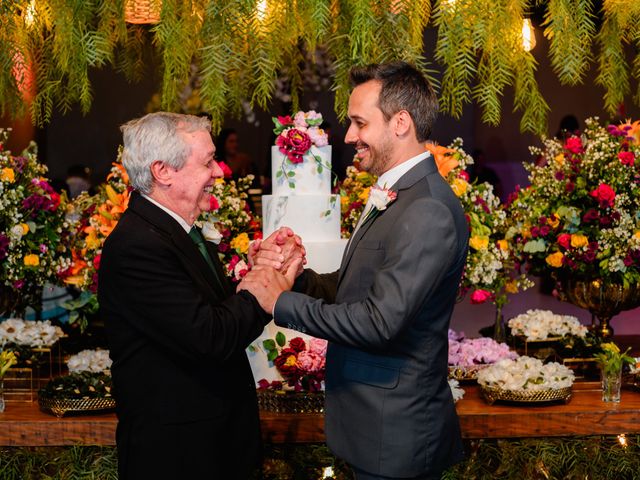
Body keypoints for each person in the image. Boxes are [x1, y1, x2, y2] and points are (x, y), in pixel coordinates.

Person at [242, 62, 468, 479]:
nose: (348, 136)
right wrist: (297, 277)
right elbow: (356, 289)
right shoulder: (398, 194)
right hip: (372, 427)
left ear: (400, 123)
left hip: (397, 436)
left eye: (359, 122)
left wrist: (280, 302)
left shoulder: (428, 210)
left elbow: (380, 321)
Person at [98, 112, 295, 479]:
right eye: (207, 162)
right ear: (163, 171)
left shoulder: (174, 232)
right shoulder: (136, 246)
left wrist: (256, 275)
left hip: (212, 442)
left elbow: (211, 311)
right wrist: (265, 290)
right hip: (178, 455)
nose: (219, 171)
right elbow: (210, 335)